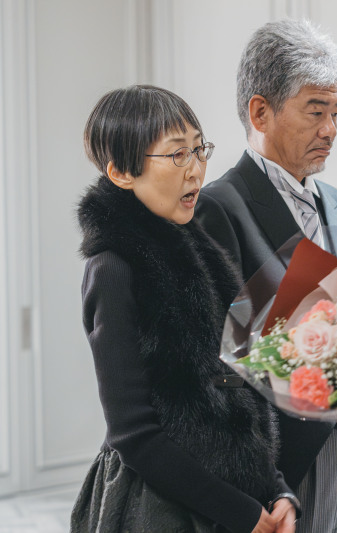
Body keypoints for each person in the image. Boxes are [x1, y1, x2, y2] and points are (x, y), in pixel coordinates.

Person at [195, 19, 337, 533]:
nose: (330, 129)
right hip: (279, 462)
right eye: (315, 111)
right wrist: (258, 480)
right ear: (260, 111)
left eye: (336, 113)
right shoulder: (217, 207)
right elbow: (217, 358)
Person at [72, 85, 297, 533]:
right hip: (156, 505)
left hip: (235, 495)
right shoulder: (112, 267)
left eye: (199, 150)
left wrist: (276, 491)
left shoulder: (203, 252)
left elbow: (242, 385)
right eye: (177, 155)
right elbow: (133, 436)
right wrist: (242, 512)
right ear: (120, 172)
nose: (196, 170)